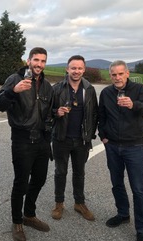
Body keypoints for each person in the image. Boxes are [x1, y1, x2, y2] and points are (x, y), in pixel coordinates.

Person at [0, 47, 53, 241]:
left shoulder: (46, 85)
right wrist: (13, 91)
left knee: (39, 179)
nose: (39, 64)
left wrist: (55, 117)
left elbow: (48, 111)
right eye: (36, 60)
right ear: (29, 61)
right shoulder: (15, 79)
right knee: (21, 183)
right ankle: (17, 221)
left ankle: (29, 214)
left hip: (42, 140)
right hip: (22, 139)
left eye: (43, 61)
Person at [98, 60, 143, 241]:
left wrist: (134, 105)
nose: (117, 77)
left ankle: (141, 229)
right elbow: (101, 116)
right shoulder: (106, 93)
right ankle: (123, 214)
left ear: (127, 73)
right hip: (113, 146)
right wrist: (103, 137)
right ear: (110, 76)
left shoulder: (139, 89)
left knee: (138, 189)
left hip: (134, 147)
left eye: (120, 74)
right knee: (117, 184)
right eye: (114, 74)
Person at [51, 55, 98, 221]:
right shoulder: (57, 88)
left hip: (81, 140)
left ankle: (79, 203)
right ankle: (59, 203)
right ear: (67, 69)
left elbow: (94, 114)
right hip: (61, 138)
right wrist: (56, 112)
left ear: (84, 70)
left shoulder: (89, 89)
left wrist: (90, 135)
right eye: (73, 68)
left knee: (79, 173)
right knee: (60, 172)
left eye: (79, 68)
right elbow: (48, 112)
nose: (76, 71)